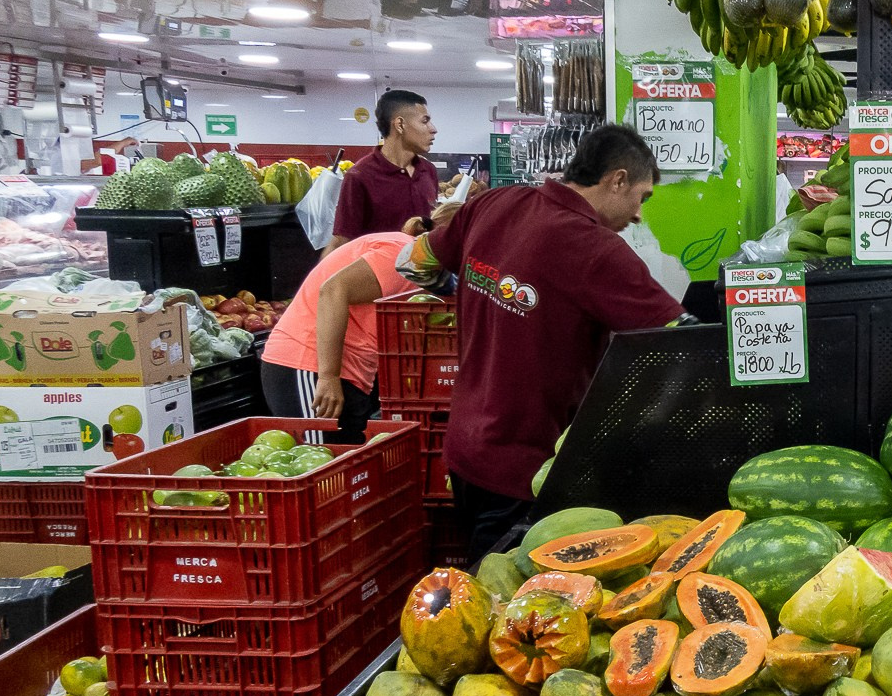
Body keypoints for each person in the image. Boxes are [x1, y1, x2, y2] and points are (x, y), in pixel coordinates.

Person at [398, 123, 691, 560]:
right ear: (617, 179)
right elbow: (682, 341)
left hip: (463, 449)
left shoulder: (498, 202)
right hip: (527, 470)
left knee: (482, 583)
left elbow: (411, 262)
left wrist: (467, 284)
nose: (637, 215)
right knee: (509, 604)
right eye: (642, 198)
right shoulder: (597, 249)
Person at [260, 207, 455, 441]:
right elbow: (333, 290)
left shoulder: (430, 273)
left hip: (351, 373)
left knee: (348, 468)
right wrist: (328, 377)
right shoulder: (403, 254)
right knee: (325, 467)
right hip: (306, 364)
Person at [328, 90, 440, 252]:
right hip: (379, 274)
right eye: (425, 121)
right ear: (400, 125)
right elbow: (342, 240)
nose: (433, 129)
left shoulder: (428, 171)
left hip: (422, 272)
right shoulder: (359, 176)